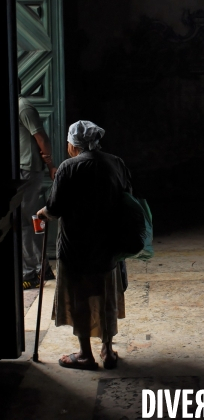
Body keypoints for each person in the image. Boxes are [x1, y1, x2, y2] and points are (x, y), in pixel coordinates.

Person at [37, 120, 131, 370]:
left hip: (77, 246)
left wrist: (43, 213)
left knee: (82, 298)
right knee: (106, 295)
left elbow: (55, 208)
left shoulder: (69, 168)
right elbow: (127, 197)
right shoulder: (115, 162)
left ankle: (85, 355)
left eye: (68, 141)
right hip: (110, 245)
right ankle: (108, 351)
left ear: (74, 144)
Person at [19, 79, 57, 289]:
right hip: (21, 170)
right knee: (26, 221)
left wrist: (51, 164)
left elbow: (41, 137)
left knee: (29, 221)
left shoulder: (23, 106)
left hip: (27, 170)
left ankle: (34, 271)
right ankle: (41, 268)